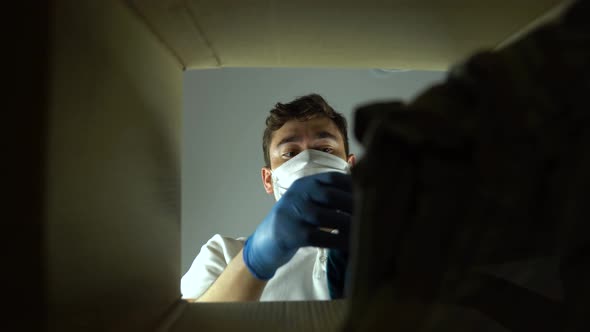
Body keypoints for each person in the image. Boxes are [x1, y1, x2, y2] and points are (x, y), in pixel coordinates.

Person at [181, 94, 356, 302]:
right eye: (290, 154)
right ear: (267, 179)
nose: (308, 160)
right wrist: (254, 262)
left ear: (351, 167)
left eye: (325, 149)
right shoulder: (223, 254)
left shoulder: (385, 253)